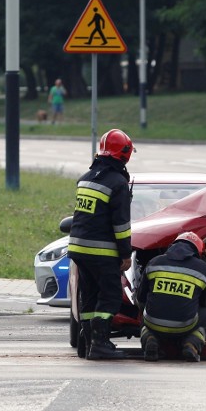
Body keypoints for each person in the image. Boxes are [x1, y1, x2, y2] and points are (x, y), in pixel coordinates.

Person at [68, 128, 135, 360]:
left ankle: (87, 344)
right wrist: (126, 255)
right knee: (110, 296)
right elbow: (121, 225)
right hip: (101, 251)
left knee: (89, 295)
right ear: (124, 154)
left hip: (78, 249)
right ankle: (100, 344)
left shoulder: (85, 179)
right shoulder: (117, 183)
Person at [136, 231, 206, 363]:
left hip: (153, 323)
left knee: (143, 308)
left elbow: (141, 297)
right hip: (184, 327)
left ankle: (149, 338)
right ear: (198, 250)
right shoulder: (203, 268)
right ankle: (192, 344)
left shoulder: (154, 262)